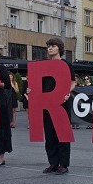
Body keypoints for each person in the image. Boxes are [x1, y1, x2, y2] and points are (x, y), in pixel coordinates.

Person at [35, 38, 77, 174]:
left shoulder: (66, 64)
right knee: (50, 134)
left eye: (52, 46)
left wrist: (67, 92)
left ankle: (63, 164)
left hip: (62, 103)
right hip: (47, 103)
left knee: (62, 134)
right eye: (48, 46)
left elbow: (72, 82)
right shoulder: (44, 65)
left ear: (59, 48)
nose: (50, 48)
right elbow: (38, 84)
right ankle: (53, 163)